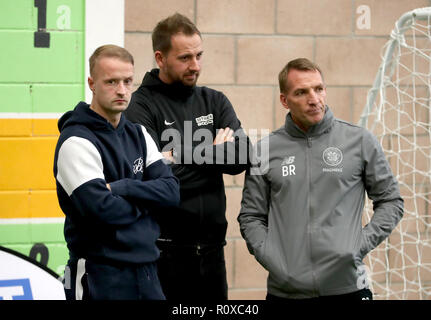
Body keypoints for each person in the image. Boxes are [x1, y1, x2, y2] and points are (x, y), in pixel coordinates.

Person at [238, 58, 404, 300]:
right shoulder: (265, 150)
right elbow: (250, 216)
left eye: (319, 89)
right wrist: (274, 259)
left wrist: (357, 246)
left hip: (348, 288)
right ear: (285, 100)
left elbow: (391, 201)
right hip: (285, 292)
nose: (314, 99)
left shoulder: (359, 141)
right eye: (301, 92)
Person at [124, 13, 251, 300]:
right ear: (160, 58)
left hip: (212, 254)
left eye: (199, 55)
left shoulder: (214, 100)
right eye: (184, 58)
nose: (195, 66)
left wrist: (179, 154)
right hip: (163, 254)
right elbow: (154, 177)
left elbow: (243, 155)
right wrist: (215, 153)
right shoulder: (140, 107)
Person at [53, 45, 180, 300]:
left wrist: (124, 187)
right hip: (99, 275)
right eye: (111, 82)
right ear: (92, 83)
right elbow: (102, 210)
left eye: (127, 81)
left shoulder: (139, 135)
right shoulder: (76, 141)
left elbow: (171, 193)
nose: (121, 90)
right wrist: (148, 202)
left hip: (147, 272)